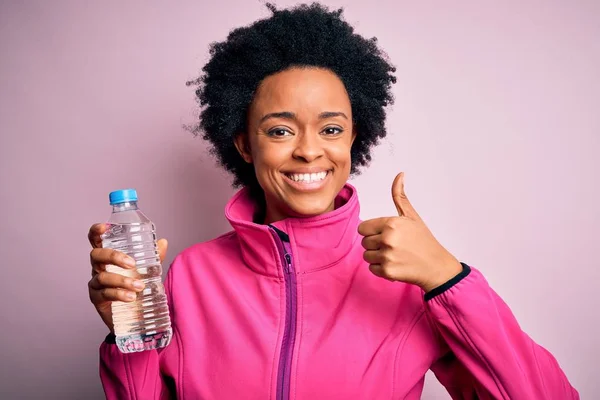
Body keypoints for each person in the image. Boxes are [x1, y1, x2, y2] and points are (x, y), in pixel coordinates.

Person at [87, 3, 578, 399]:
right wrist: (126, 337)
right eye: (280, 130)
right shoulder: (191, 277)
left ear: (352, 138)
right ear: (243, 144)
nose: (308, 149)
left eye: (330, 129)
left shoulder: (410, 280)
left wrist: (448, 278)